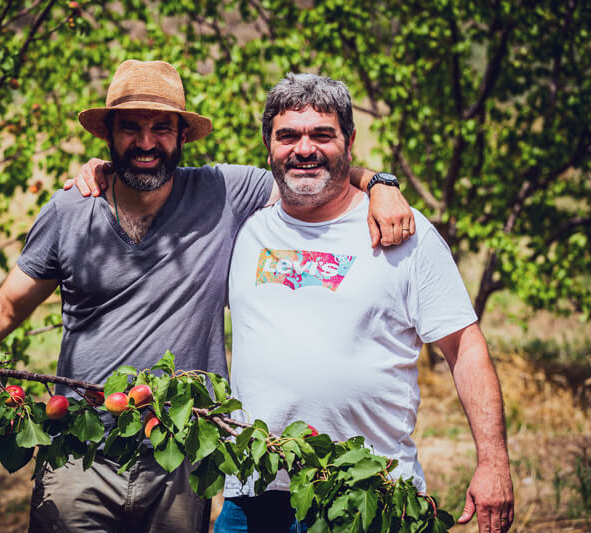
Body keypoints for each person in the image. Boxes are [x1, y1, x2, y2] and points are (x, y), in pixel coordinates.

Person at [0, 60, 412, 533]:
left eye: (162, 127)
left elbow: (311, 173)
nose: (146, 141)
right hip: (82, 447)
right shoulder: (70, 211)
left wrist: (382, 182)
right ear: (107, 134)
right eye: (130, 126)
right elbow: (4, 307)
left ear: (182, 136)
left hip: (183, 451)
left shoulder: (225, 192)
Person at [215, 73, 514, 533]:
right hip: (254, 493)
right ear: (269, 146)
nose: (304, 148)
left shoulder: (404, 232)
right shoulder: (242, 226)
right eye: (288, 136)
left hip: (368, 495)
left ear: (350, 141)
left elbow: (465, 347)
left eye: (322, 135)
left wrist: (492, 463)